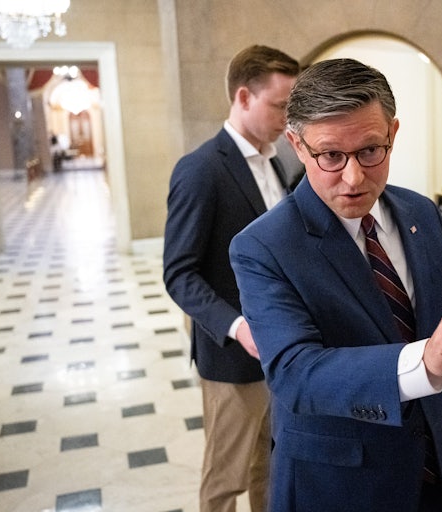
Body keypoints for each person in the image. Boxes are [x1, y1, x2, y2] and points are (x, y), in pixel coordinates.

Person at [229, 58, 442, 512]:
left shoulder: (421, 214)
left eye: (370, 151)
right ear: (297, 145)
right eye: (331, 155)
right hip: (338, 483)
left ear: (393, 133)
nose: (354, 177)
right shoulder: (263, 246)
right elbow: (296, 374)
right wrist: (423, 358)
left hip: (435, 465)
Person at [163, 45, 300, 512]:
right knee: (226, 478)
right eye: (281, 105)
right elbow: (179, 273)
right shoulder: (201, 169)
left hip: (281, 349)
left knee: (272, 464)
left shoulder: (278, 162)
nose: (289, 118)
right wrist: (238, 327)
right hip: (232, 359)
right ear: (244, 97)